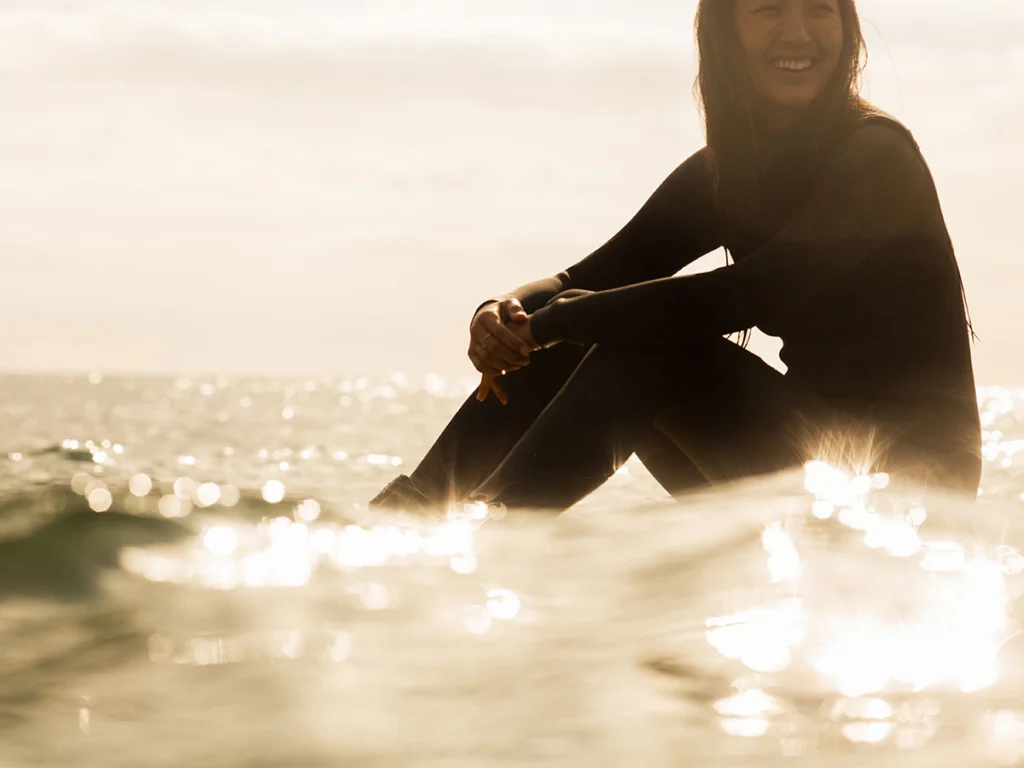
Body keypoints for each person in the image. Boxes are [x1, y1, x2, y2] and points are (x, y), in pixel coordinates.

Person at [370, 0, 982, 514]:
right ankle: (409, 524)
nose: (797, 32)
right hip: (810, 462)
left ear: (846, 26)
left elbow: (740, 295)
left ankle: (481, 551)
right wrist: (502, 315)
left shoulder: (878, 158)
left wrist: (557, 321)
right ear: (726, 31)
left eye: (820, 8)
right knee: (590, 331)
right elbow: (585, 278)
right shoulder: (728, 172)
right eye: (769, 8)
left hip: (911, 494)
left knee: (651, 344)